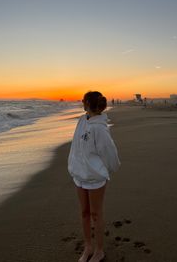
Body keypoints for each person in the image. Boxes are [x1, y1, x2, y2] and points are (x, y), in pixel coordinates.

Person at [68, 91, 120, 262]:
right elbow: (75, 146)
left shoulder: (100, 128)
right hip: (80, 175)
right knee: (84, 212)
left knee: (96, 214)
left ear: (89, 104)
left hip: (96, 178)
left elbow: (109, 153)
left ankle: (99, 250)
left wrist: (105, 171)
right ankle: (88, 246)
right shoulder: (82, 121)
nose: (82, 102)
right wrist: (73, 167)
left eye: (84, 100)